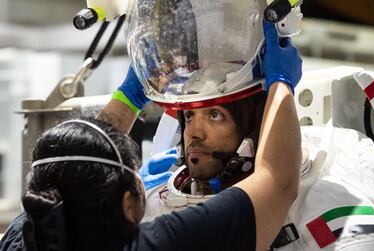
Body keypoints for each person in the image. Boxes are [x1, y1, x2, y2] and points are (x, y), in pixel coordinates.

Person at [0, 15, 303, 251]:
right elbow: (278, 182)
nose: (194, 132)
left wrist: (130, 96)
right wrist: (280, 82)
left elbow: (77, 162)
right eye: (136, 179)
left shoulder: (22, 236)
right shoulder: (160, 244)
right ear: (128, 206)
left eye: (214, 115)